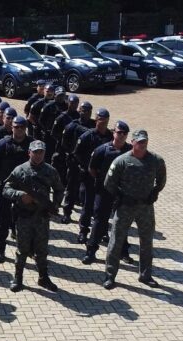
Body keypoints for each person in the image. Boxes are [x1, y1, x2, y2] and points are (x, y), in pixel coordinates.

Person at [103, 130, 167, 290]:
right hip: (125, 207)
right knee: (116, 241)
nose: (142, 144)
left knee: (146, 241)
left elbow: (161, 179)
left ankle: (145, 275)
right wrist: (120, 196)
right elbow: (108, 182)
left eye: (144, 141)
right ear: (132, 142)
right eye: (139, 142)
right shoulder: (121, 161)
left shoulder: (156, 161)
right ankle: (110, 276)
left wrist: (154, 193)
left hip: (145, 207)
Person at [3, 140, 65, 292]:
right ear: (29, 152)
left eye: (41, 152)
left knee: (42, 250)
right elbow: (6, 189)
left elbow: (59, 189)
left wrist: (55, 205)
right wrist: (20, 195)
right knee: (22, 250)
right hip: (24, 217)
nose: (38, 155)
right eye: (35, 152)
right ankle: (18, 278)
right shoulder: (20, 170)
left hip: (42, 218)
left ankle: (43, 278)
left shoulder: (50, 171)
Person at [83, 120, 134, 265]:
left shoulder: (130, 151)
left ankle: (123, 252)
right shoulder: (102, 150)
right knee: (99, 222)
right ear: (114, 133)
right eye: (119, 132)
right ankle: (91, 251)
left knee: (122, 223)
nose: (122, 135)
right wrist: (103, 182)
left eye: (125, 133)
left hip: (122, 193)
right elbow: (92, 169)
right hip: (104, 191)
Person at [0, 116, 33, 262]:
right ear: (11, 127)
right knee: (3, 220)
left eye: (22, 127)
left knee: (27, 220)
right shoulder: (2, 144)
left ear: (25, 128)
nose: (19, 130)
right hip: (5, 187)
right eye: (16, 127)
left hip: (25, 189)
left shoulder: (32, 145)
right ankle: (0, 249)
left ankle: (28, 250)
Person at [71, 108, 113, 243]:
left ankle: (103, 231)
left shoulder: (110, 136)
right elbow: (77, 153)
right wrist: (87, 166)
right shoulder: (88, 135)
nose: (103, 122)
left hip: (105, 178)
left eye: (105, 120)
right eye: (100, 119)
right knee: (88, 205)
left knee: (103, 207)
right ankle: (83, 231)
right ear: (96, 119)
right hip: (89, 176)